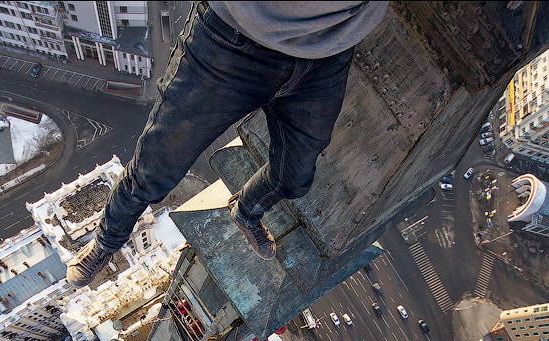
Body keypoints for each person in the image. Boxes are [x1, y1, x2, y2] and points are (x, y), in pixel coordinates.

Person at [67, 1, 388, 287]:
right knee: (155, 169)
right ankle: (106, 242)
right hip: (233, 40)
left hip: (328, 51)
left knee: (295, 178)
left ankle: (246, 211)